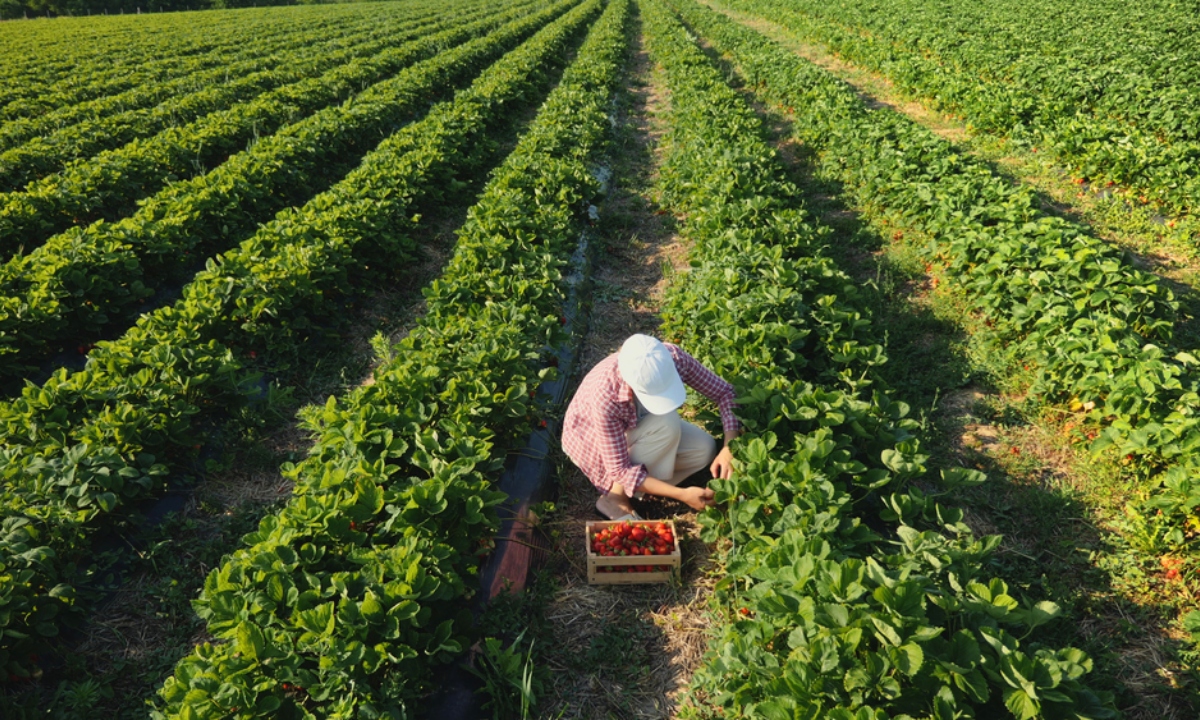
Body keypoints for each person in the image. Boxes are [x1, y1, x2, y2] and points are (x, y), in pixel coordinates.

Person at [562, 333, 740, 520]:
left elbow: (725, 393)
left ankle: (645, 486)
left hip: (643, 425)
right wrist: (681, 494)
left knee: (704, 449)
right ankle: (615, 497)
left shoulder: (673, 358)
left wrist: (729, 447)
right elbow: (618, 469)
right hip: (590, 440)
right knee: (667, 424)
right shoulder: (606, 394)